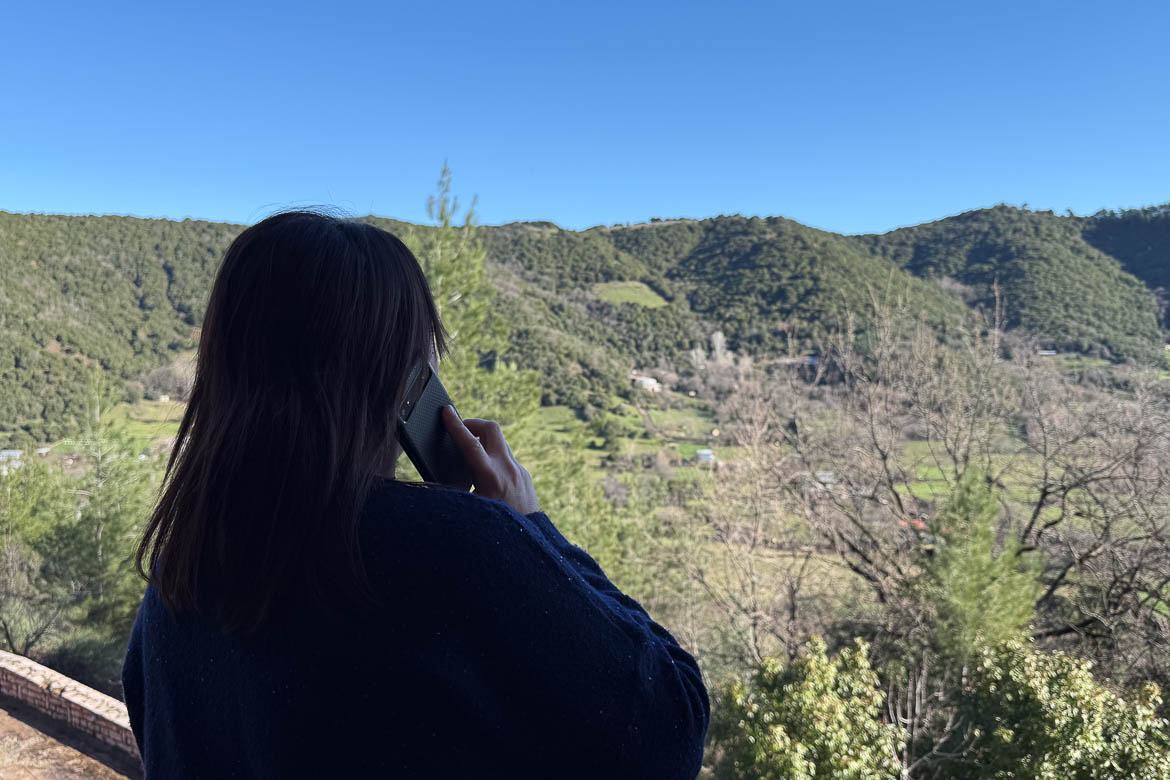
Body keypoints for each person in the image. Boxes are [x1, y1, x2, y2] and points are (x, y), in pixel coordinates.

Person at [121, 210, 709, 779]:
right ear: (404, 383)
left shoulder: (180, 568)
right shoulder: (466, 551)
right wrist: (531, 526)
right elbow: (670, 727)